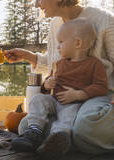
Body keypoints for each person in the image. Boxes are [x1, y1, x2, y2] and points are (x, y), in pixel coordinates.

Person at [4, 0, 114, 155]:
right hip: (64, 100)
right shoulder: (55, 24)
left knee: (89, 125)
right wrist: (29, 56)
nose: (36, 4)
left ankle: (63, 135)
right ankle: (64, 137)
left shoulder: (106, 21)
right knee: (25, 124)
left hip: (99, 99)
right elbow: (58, 61)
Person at [11, 18, 108, 159]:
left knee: (68, 116)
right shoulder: (59, 64)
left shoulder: (94, 64)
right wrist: (46, 84)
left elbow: (101, 87)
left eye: (61, 42)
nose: (58, 47)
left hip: (73, 103)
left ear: (78, 43)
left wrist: (79, 94)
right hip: (53, 100)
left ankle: (55, 141)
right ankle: (34, 132)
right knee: (38, 99)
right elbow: (45, 88)